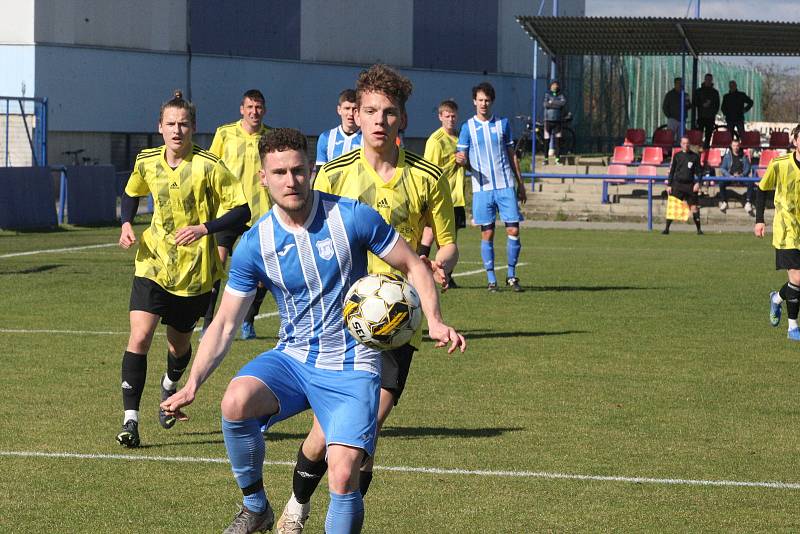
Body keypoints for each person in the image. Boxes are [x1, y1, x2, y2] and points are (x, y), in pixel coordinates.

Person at [160, 128, 466, 534]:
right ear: (263, 178)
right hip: (293, 359)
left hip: (353, 363)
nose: (291, 181)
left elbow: (412, 264)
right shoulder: (255, 244)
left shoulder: (351, 216)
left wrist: (435, 319)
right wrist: (193, 382)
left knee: (342, 475)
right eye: (280, 172)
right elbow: (225, 322)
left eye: (299, 171)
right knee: (234, 402)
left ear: (311, 170)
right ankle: (256, 508)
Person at [273, 64, 460, 534]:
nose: (379, 120)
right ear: (356, 113)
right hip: (337, 323)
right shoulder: (331, 175)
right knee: (324, 434)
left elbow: (449, 244)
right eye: (370, 110)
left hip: (396, 325)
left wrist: (442, 270)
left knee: (359, 439)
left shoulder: (428, 177)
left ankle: (333, 513)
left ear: (403, 119)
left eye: (389, 112)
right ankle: (297, 505)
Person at [115, 91, 250, 448]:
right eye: (171, 124)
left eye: (183, 124)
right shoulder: (146, 161)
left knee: (179, 347)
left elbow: (242, 210)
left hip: (194, 274)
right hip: (153, 262)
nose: (177, 130)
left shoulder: (209, 165)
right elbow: (131, 192)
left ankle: (171, 384)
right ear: (160, 127)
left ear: (193, 128)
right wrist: (127, 223)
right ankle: (131, 421)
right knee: (140, 337)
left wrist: (205, 228)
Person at [205, 89, 272, 340]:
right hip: (229, 210)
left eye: (259, 107)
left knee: (263, 272)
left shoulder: (271, 137)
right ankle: (209, 322)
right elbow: (211, 168)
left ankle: (248, 320)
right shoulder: (224, 133)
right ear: (241, 110)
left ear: (264, 110)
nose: (254, 112)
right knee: (217, 266)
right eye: (250, 107)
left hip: (261, 213)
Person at [456, 81, 526, 292]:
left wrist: (520, 184)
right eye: (480, 100)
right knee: (487, 233)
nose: (483, 104)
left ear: (492, 101)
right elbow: (463, 159)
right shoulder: (467, 128)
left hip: (505, 186)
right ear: (474, 101)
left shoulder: (502, 124)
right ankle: (491, 279)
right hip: (482, 189)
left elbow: (512, 156)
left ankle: (512, 276)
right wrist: (461, 161)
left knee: (513, 229)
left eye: (487, 100)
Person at [755, 124, 800, 341]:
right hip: (786, 230)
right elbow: (762, 189)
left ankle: (776, 299)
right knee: (797, 277)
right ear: (795, 140)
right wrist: (759, 220)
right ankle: (792, 327)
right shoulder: (780, 164)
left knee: (797, 281)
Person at [418, 99, 467, 288]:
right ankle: (422, 268)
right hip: (439, 196)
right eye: (447, 116)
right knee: (433, 235)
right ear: (440, 117)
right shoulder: (435, 140)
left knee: (448, 237)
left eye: (453, 116)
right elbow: (428, 170)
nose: (451, 119)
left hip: (456, 196)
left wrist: (464, 161)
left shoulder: (460, 138)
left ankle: (444, 273)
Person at [663, 135, 703, 235]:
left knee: (694, 208)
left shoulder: (695, 157)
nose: (686, 145)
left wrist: (698, 183)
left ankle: (699, 230)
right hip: (678, 185)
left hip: (690, 185)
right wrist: (669, 185)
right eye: (684, 143)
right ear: (681, 144)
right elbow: (672, 171)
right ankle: (667, 229)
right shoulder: (677, 156)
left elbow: (700, 172)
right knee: (673, 206)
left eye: (687, 143)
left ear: (689, 144)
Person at [315, 89, 362, 171]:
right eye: (347, 108)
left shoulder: (367, 138)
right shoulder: (326, 138)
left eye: (355, 109)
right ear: (339, 110)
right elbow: (319, 174)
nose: (351, 113)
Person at [718, 138, 753, 215]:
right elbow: (723, 168)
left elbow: (747, 168)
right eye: (734, 146)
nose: (736, 147)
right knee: (721, 183)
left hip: (741, 177)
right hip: (730, 177)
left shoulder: (744, 156)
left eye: (737, 146)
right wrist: (729, 175)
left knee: (751, 182)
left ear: (739, 146)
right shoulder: (727, 156)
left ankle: (748, 202)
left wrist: (742, 175)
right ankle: (724, 202)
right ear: (731, 146)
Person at [542, 79, 567, 165]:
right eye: (553, 84)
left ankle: (557, 159)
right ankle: (545, 159)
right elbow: (545, 104)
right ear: (551, 85)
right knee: (546, 141)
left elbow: (563, 103)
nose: (555, 86)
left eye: (556, 84)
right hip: (547, 120)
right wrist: (556, 103)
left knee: (558, 141)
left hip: (558, 121)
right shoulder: (547, 94)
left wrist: (552, 102)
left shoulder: (561, 94)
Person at [693, 73, 720, 149]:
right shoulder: (699, 91)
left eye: (710, 79)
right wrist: (702, 104)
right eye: (707, 79)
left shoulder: (715, 92)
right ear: (704, 80)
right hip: (701, 116)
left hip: (710, 117)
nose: (708, 81)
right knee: (699, 134)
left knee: (708, 135)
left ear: (711, 80)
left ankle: (706, 149)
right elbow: (695, 102)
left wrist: (713, 112)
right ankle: (698, 149)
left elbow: (717, 104)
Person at [662, 77, 691, 144]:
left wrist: (687, 103)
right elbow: (665, 107)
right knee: (669, 137)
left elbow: (689, 106)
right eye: (678, 83)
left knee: (680, 138)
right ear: (675, 84)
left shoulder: (685, 95)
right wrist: (669, 116)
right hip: (672, 119)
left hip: (682, 120)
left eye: (681, 83)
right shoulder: (670, 94)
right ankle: (668, 151)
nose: (680, 85)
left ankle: (678, 151)